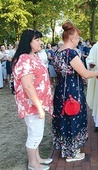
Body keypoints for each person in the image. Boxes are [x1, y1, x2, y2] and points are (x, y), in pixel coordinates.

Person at [52, 21, 98, 162]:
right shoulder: (71, 53)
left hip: (61, 90)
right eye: (77, 38)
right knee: (72, 117)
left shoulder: (58, 52)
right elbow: (85, 73)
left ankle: (65, 147)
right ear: (71, 38)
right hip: (72, 91)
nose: (78, 41)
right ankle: (72, 153)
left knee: (63, 118)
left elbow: (71, 72)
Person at [11, 29, 53, 170]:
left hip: (37, 103)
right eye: (37, 40)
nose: (41, 42)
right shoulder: (24, 59)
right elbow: (28, 86)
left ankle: (38, 158)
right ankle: (32, 164)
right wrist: (39, 107)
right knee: (35, 134)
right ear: (28, 42)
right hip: (31, 105)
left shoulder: (33, 56)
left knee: (36, 133)